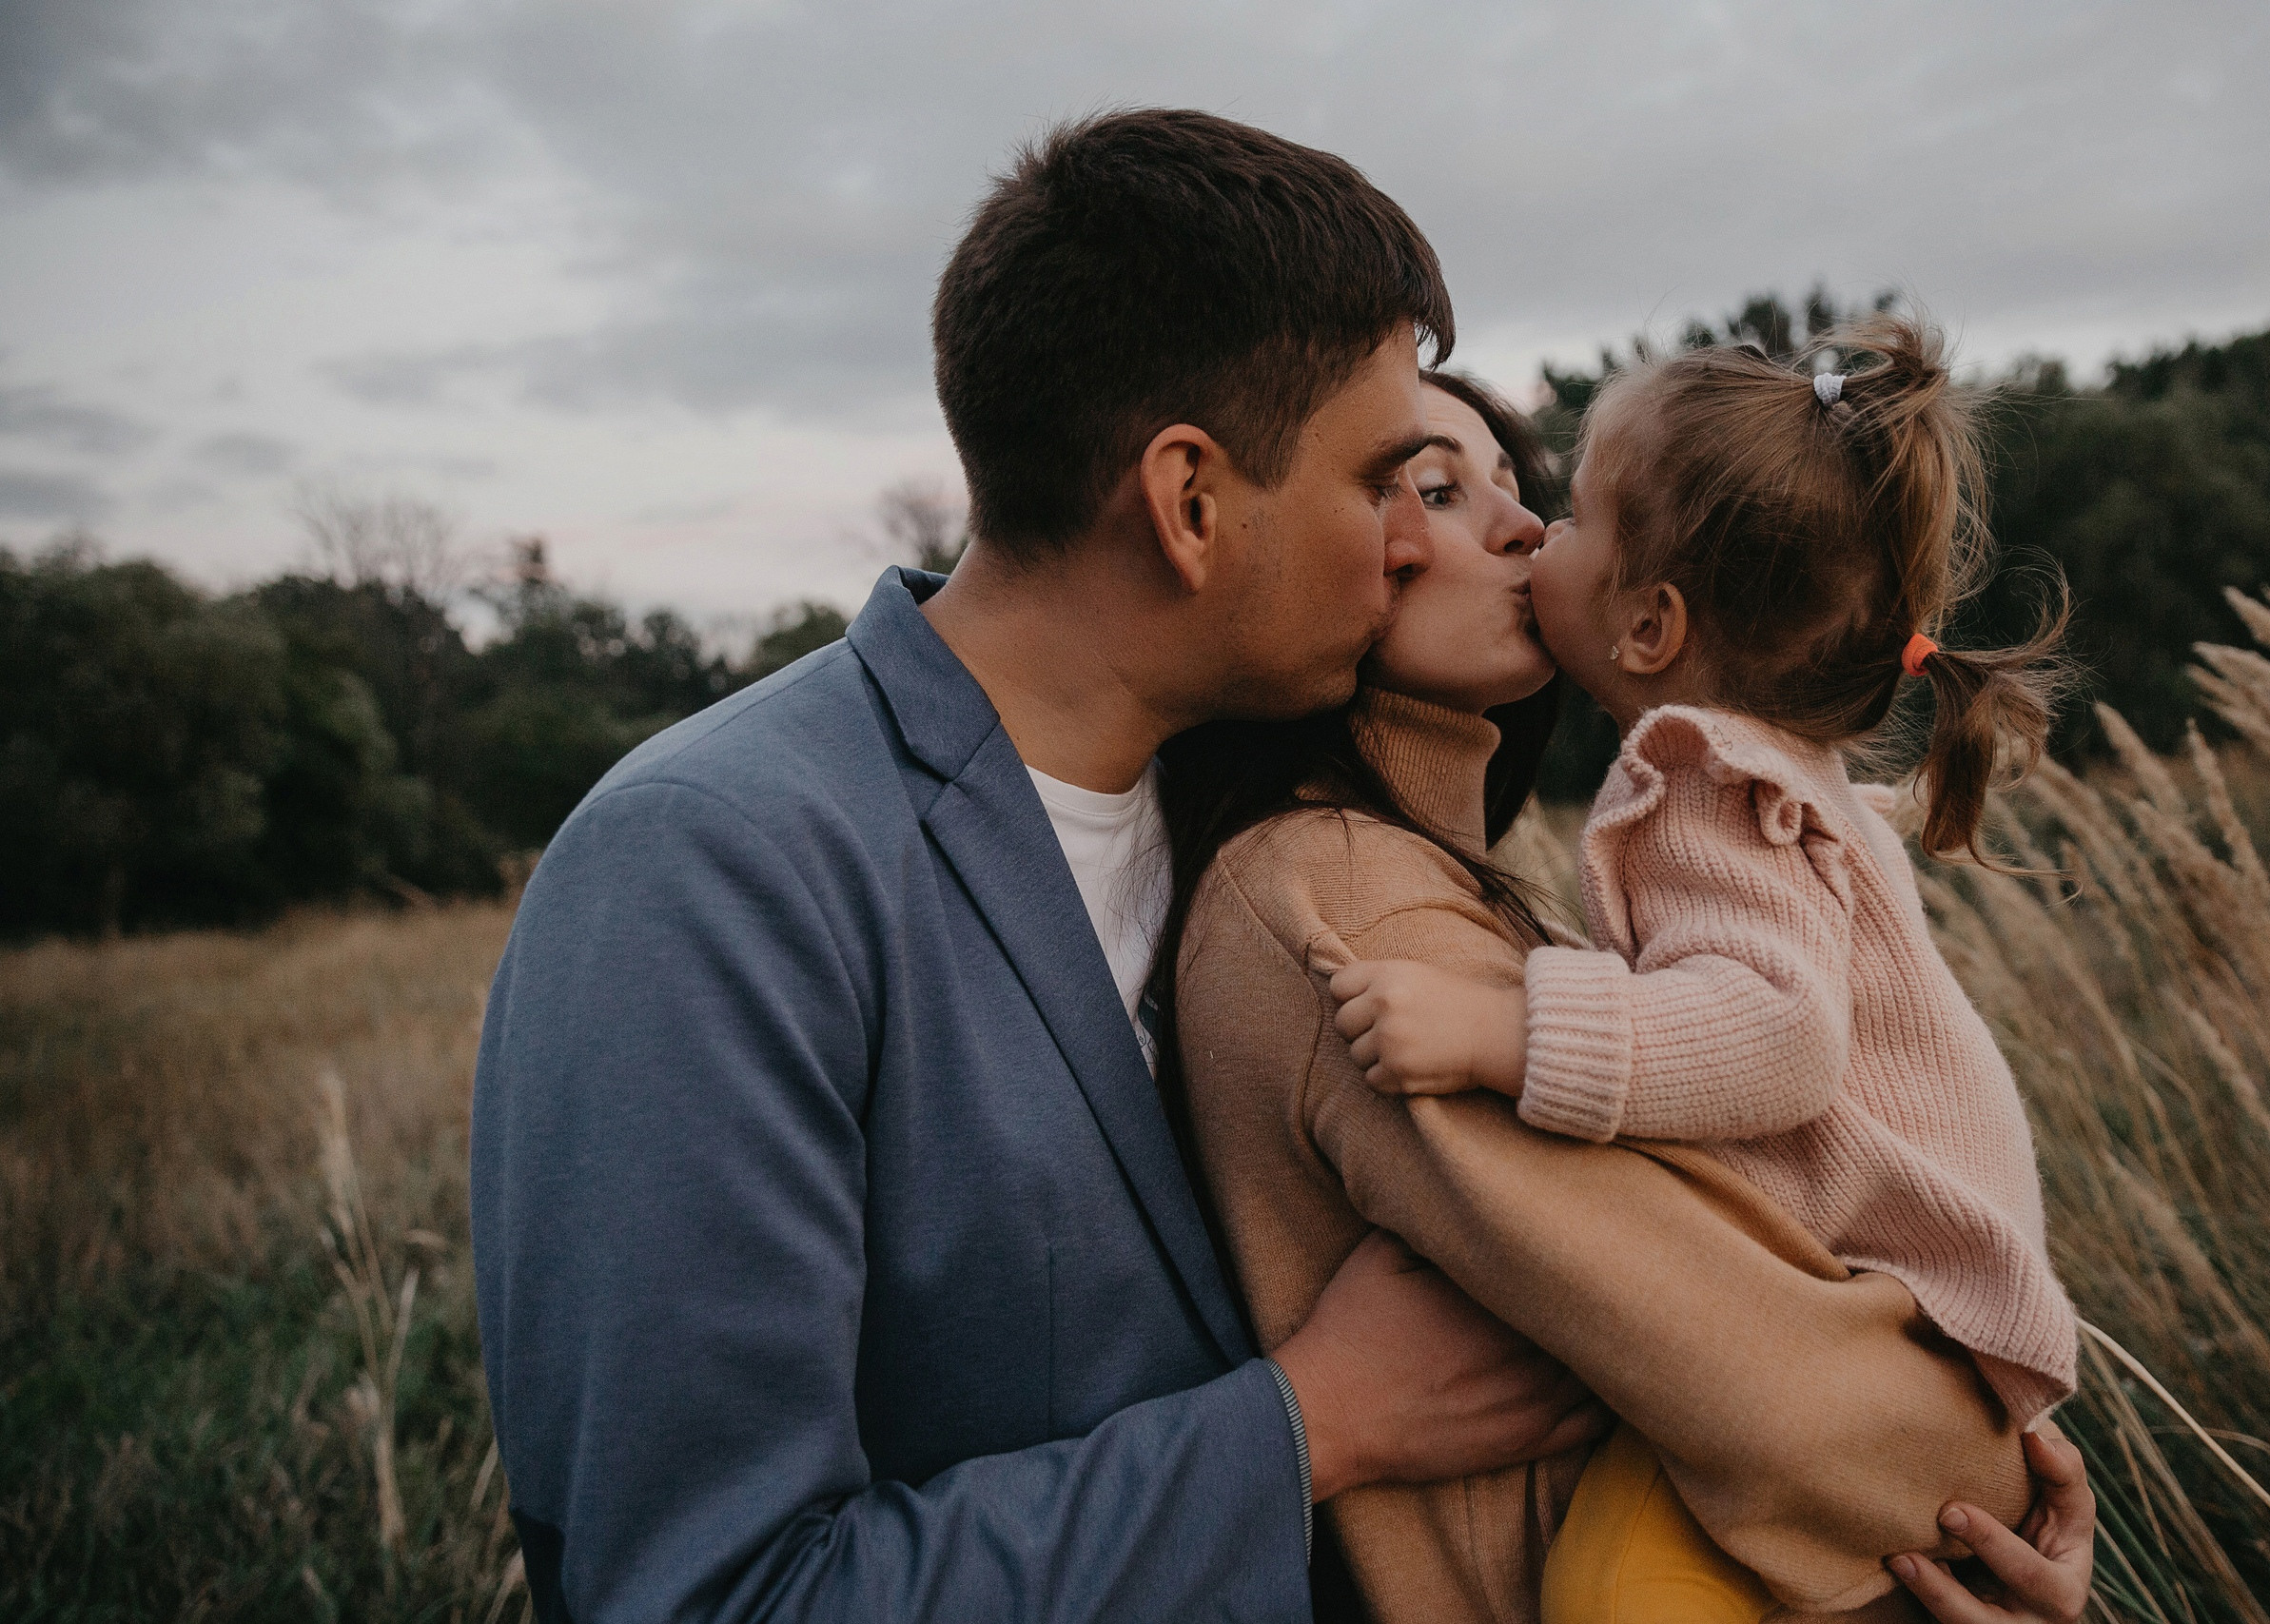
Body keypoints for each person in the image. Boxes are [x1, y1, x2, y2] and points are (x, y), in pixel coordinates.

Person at [471, 109, 1610, 1622]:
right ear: (1190, 504)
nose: (1402, 545)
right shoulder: (711, 871)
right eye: (1375, 482)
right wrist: (1306, 1429)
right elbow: (715, 1596)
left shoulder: (1259, 827)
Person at [1160, 365, 2096, 1623]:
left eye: (1524, 486)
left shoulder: (1498, 887)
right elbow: (1784, 1394)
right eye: (1433, 487)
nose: (1523, 527)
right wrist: (1987, 1502)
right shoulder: (1345, 903)